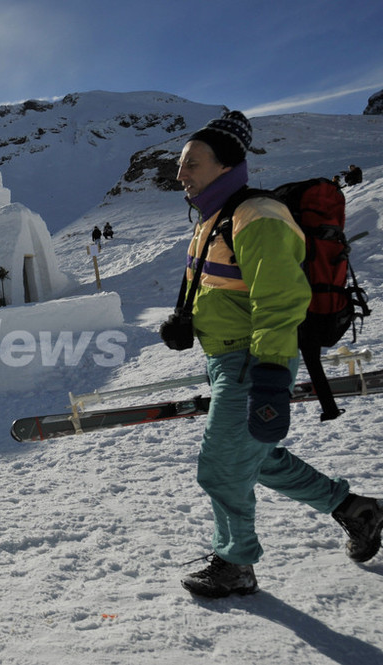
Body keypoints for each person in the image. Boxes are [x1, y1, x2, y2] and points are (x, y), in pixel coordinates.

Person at [162, 110, 383, 598]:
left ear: (226, 166)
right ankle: (356, 510)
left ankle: (235, 564)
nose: (180, 173)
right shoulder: (217, 217)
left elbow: (280, 302)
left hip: (253, 361)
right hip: (230, 359)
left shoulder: (257, 217)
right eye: (181, 163)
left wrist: (267, 378)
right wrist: (186, 322)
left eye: (192, 163)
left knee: (221, 467)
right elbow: (225, 285)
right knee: (255, 460)